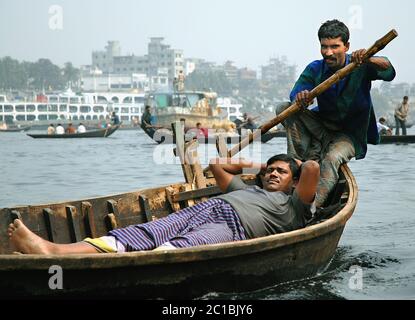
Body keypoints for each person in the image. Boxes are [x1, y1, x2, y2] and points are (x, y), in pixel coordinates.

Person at [7, 154, 319, 254]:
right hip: (204, 209)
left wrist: (290, 166)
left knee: (181, 246)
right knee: (140, 233)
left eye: (281, 171)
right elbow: (216, 165)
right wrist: (257, 167)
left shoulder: (293, 207)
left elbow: (312, 169)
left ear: (293, 182)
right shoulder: (248, 188)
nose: (274, 174)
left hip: (233, 227)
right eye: (271, 170)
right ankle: (56, 250)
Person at [275, 19, 396, 208]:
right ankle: (299, 164)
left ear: (346, 46)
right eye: (324, 46)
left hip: (349, 135)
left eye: (334, 46)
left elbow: (389, 71)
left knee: (332, 158)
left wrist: (368, 58)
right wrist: (301, 97)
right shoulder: (315, 68)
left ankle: (310, 209)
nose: (328, 52)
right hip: (322, 127)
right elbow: (296, 93)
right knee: (283, 109)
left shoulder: (361, 65)